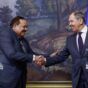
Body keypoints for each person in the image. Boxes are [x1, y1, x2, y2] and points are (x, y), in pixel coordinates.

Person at [35, 11, 88, 88]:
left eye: (71, 21)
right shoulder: (70, 39)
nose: (69, 24)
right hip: (77, 80)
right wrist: (45, 61)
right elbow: (61, 57)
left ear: (80, 21)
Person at [0, 16, 40, 88]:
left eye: (27, 27)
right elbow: (12, 54)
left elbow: (31, 54)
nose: (26, 29)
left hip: (21, 79)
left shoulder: (23, 39)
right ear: (15, 26)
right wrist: (34, 58)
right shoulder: (5, 34)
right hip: (8, 80)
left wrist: (49, 56)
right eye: (24, 27)